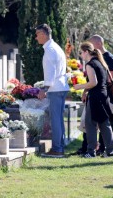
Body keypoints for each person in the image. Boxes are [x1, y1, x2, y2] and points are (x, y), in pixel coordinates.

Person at [74, 41, 113, 158]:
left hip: (95, 98)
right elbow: (108, 80)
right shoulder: (101, 62)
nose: (81, 55)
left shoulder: (90, 64)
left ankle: (91, 152)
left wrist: (80, 86)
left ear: (86, 52)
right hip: (104, 96)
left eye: (81, 53)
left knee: (90, 125)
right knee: (104, 125)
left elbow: (93, 82)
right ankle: (109, 151)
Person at [35, 24, 69, 158]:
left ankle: (57, 149)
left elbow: (50, 72)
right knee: (58, 119)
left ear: (43, 34)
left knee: (55, 120)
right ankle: (59, 146)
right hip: (61, 86)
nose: (36, 37)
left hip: (54, 88)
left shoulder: (49, 50)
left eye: (37, 34)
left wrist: (44, 89)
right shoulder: (56, 47)